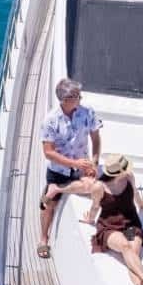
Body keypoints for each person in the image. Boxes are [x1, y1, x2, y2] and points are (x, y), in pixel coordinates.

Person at [38, 78, 101, 258]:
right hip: (59, 170)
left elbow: (96, 139)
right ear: (65, 99)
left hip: (82, 168)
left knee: (96, 187)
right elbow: (48, 152)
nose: (80, 99)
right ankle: (43, 238)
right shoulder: (51, 121)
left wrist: (94, 163)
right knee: (46, 205)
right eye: (77, 96)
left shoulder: (88, 112)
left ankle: (56, 189)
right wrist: (74, 164)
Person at [85, 154, 143, 285]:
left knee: (133, 253)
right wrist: (90, 219)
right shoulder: (99, 187)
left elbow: (135, 194)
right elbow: (95, 207)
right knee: (126, 247)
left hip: (129, 223)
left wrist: (141, 205)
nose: (127, 170)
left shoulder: (129, 176)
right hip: (109, 226)